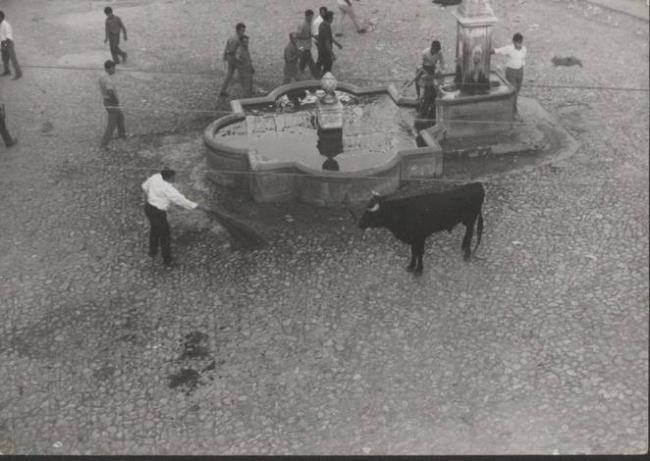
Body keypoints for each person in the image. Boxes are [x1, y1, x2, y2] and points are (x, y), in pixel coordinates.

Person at [141, 169, 200, 268]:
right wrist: (196, 206)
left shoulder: (155, 177)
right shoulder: (168, 189)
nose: (174, 178)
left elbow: (144, 186)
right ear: (168, 177)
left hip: (148, 208)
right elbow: (180, 200)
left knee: (154, 230)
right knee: (165, 236)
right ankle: (167, 261)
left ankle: (152, 252)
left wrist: (152, 196)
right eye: (173, 177)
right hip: (158, 213)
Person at [492, 33, 526, 115]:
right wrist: (488, 51)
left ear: (522, 42)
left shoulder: (524, 49)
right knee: (512, 90)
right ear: (514, 42)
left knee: (517, 90)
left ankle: (512, 106)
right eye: (516, 42)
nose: (518, 44)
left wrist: (521, 68)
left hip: (520, 71)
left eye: (520, 42)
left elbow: (522, 60)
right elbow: (498, 50)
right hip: (511, 72)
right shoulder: (509, 48)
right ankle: (513, 110)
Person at [99, 60, 126, 148]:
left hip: (106, 101)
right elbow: (110, 91)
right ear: (109, 68)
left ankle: (121, 134)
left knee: (120, 117)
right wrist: (116, 102)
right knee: (111, 124)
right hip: (111, 102)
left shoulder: (102, 75)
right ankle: (104, 143)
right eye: (113, 68)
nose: (114, 70)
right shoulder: (108, 80)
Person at [418, 40, 445, 122]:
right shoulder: (425, 53)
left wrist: (439, 70)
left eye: (437, 51)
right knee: (427, 90)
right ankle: (421, 101)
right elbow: (422, 66)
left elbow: (442, 63)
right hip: (425, 68)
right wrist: (426, 74)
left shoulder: (439, 53)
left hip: (433, 69)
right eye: (435, 50)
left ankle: (432, 107)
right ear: (432, 48)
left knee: (434, 90)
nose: (436, 52)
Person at [219, 23, 246, 98]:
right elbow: (233, 50)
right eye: (242, 30)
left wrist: (224, 56)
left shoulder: (232, 37)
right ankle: (246, 91)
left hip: (229, 56)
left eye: (244, 30)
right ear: (238, 30)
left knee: (229, 74)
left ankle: (223, 90)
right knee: (243, 73)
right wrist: (239, 60)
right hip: (233, 57)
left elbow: (226, 47)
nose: (243, 32)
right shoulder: (237, 39)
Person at [295, 9, 319, 78]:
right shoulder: (302, 24)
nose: (312, 18)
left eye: (312, 16)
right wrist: (307, 36)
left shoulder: (309, 22)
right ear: (307, 16)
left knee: (303, 59)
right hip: (302, 46)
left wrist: (313, 36)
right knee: (310, 61)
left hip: (306, 46)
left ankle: (299, 72)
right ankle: (316, 75)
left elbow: (309, 33)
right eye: (311, 16)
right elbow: (297, 36)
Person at [0, 11, 22, 80]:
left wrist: (5, 46)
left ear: (1, 17)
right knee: (4, 59)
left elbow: (9, 38)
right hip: (3, 44)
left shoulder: (6, 25)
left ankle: (19, 74)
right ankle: (7, 71)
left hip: (9, 44)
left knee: (13, 60)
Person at [312, 7, 328, 73]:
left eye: (325, 12)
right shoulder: (318, 22)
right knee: (319, 56)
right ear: (320, 12)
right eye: (322, 12)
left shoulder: (323, 20)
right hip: (317, 41)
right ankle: (318, 69)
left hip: (320, 41)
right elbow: (316, 35)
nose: (324, 13)